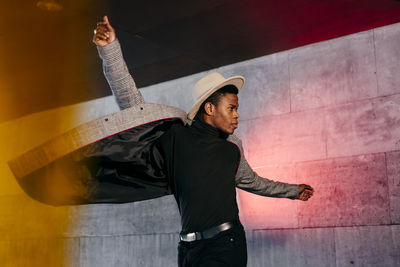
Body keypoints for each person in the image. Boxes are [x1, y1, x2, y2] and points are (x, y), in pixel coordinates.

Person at [93, 15, 314, 267]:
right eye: (231, 108)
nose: (237, 114)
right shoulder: (174, 136)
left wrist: (292, 191)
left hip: (225, 244)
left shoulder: (233, 147)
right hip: (187, 248)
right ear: (210, 108)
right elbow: (131, 103)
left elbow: (252, 182)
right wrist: (109, 50)